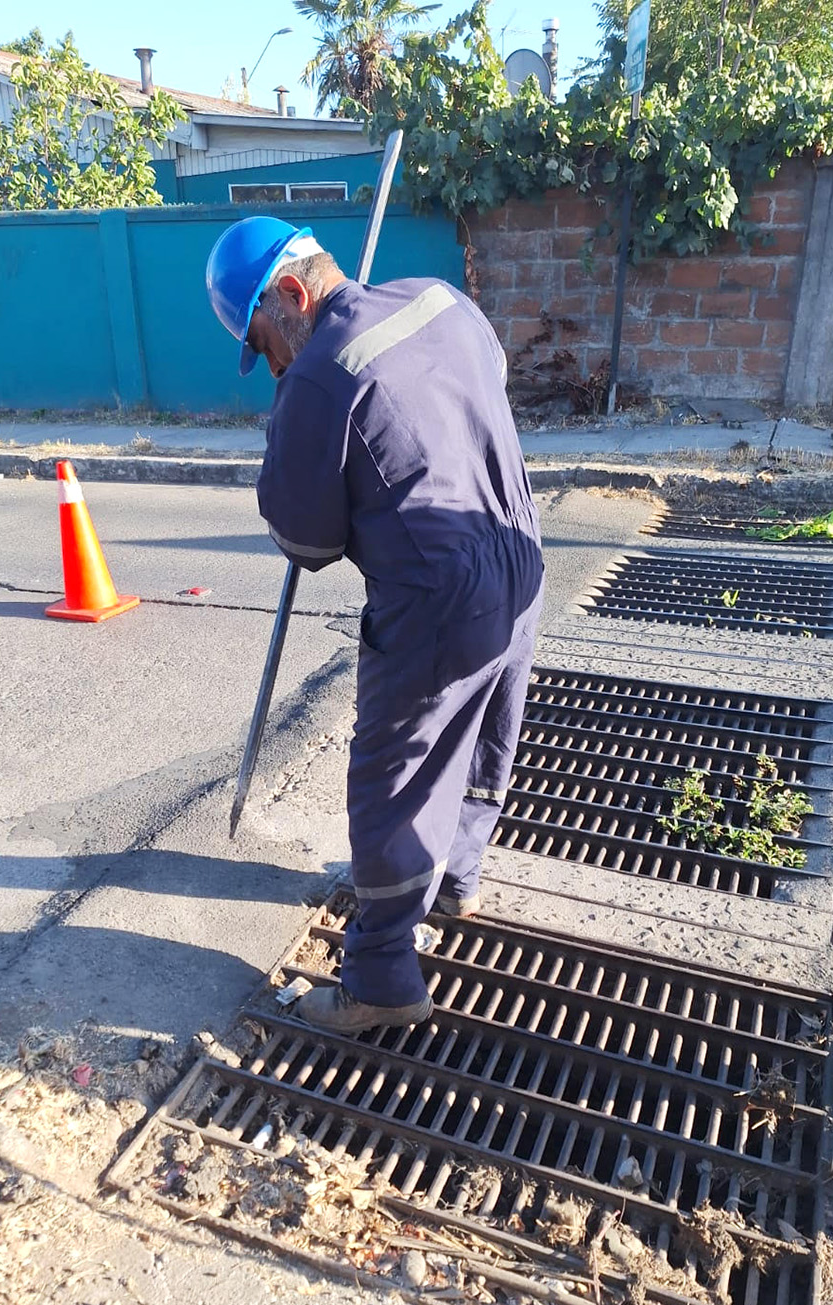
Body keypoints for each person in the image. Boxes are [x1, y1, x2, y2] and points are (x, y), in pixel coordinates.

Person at [206, 217, 544, 1035]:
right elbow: (484, 387)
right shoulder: (441, 299)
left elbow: (307, 540)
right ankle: (455, 878)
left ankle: (383, 979)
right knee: (482, 731)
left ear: (292, 294)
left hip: (437, 592)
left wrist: (294, 414)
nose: (272, 366)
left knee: (393, 778)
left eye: (266, 344)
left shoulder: (318, 378)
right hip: (521, 552)